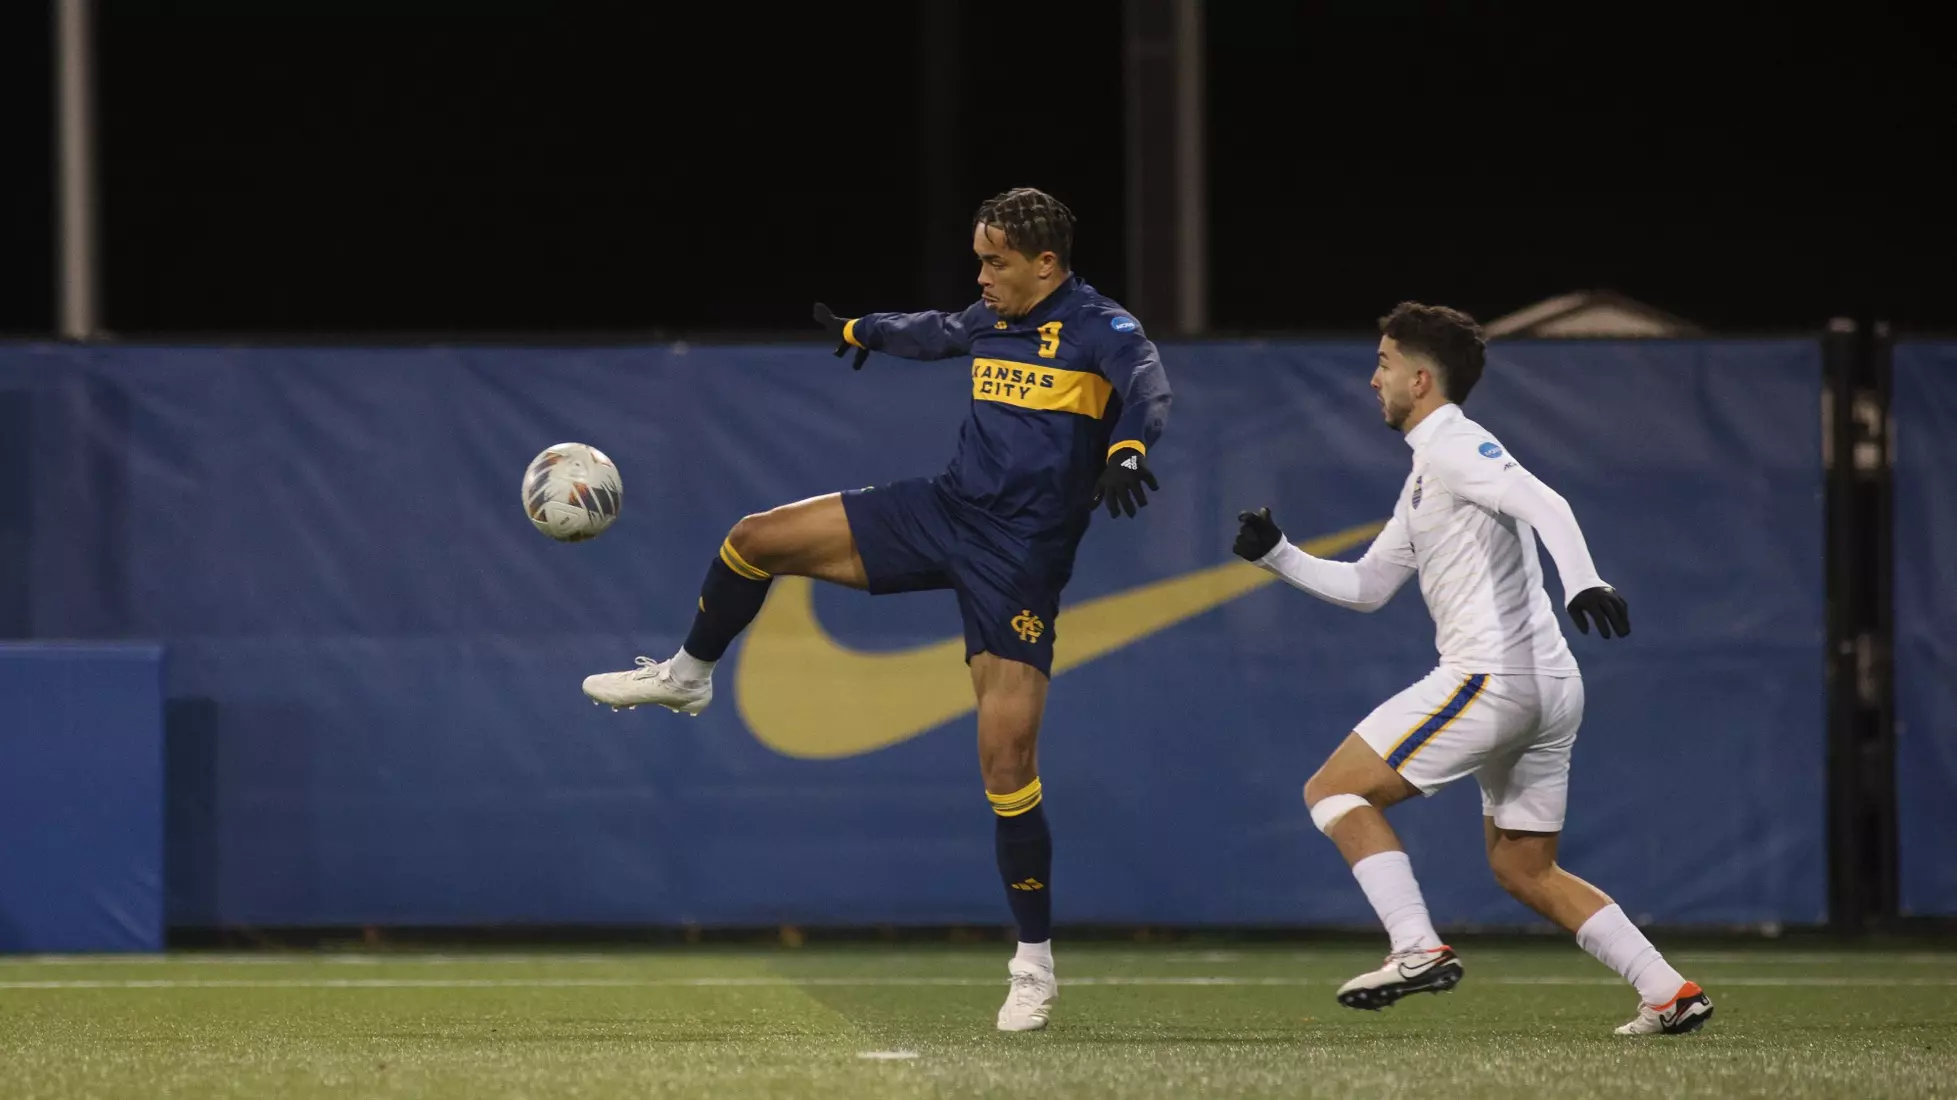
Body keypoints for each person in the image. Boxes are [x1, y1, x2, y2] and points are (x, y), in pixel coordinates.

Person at [583, 187, 1171, 1032]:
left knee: (1006, 767)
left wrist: (1125, 445)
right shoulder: (992, 316)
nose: (982, 275)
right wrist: (863, 329)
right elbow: (935, 330)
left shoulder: (1100, 327)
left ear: (1046, 263)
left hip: (1019, 562)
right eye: (978, 258)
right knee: (755, 537)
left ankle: (1033, 966)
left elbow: (1147, 388)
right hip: (944, 512)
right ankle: (687, 674)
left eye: (994, 260)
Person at [1231, 301, 1712, 1037]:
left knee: (1332, 791)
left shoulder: (1455, 444)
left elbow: (1545, 501)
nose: (1372, 379)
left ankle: (1416, 948)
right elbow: (1366, 588)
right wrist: (1277, 554)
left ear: (1420, 380)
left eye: (1384, 363)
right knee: (1524, 869)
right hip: (1547, 687)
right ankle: (1668, 990)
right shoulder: (1429, 471)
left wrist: (1583, 580)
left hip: (1494, 678)